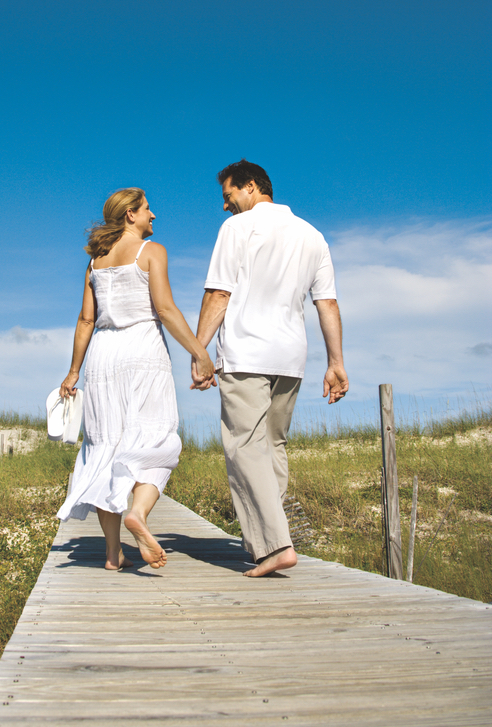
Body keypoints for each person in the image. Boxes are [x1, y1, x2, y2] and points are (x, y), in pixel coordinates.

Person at [191, 160, 348, 578]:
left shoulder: (238, 230)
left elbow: (219, 293)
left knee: (243, 445)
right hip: (291, 358)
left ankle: (276, 545)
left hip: (247, 353)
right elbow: (326, 303)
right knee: (272, 446)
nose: (225, 207)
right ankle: (265, 542)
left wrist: (198, 350)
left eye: (228, 197)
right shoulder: (313, 235)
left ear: (251, 186)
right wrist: (336, 363)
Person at [57, 187, 215, 571]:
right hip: (143, 351)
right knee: (158, 436)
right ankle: (139, 515)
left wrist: (73, 371)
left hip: (103, 358)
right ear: (131, 214)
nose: (154, 216)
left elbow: (86, 321)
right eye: (147, 210)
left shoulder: (95, 261)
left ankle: (113, 555)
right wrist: (200, 352)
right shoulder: (151, 252)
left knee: (104, 448)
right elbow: (164, 308)